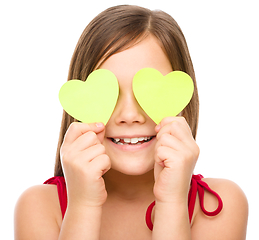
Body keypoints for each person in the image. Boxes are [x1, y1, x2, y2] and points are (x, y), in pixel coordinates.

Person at [14, 5, 248, 240]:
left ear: (184, 102)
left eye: (145, 93)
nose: (129, 115)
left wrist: (172, 202)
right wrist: (83, 206)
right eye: (111, 94)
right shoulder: (39, 206)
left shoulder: (220, 204)